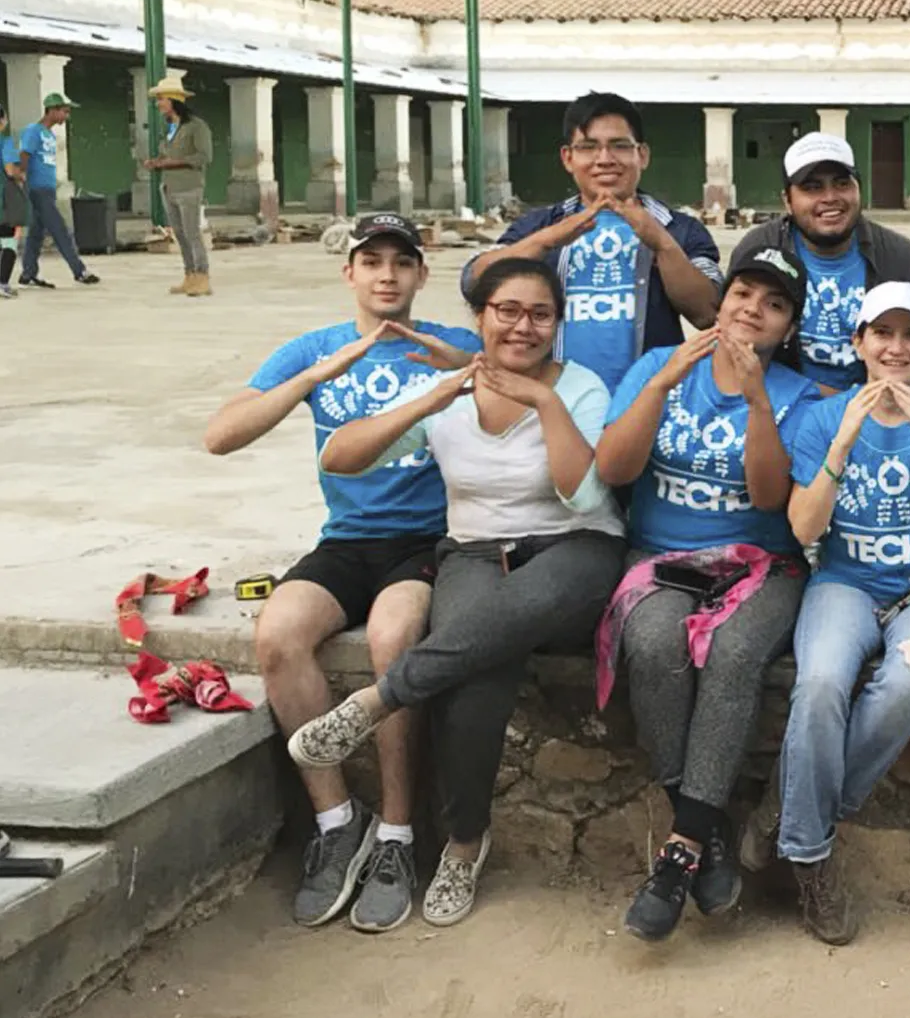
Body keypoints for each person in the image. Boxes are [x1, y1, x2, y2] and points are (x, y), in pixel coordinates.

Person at [286, 257, 627, 929]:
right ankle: (465, 844)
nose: (522, 326)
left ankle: (375, 701)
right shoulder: (449, 389)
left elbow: (583, 493)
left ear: (558, 325)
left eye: (540, 314)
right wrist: (430, 400)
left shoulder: (581, 387)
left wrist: (545, 402)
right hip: (473, 552)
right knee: (474, 678)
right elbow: (339, 457)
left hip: (577, 551)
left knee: (510, 613)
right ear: (481, 319)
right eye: (507, 311)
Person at [202, 213, 478, 933]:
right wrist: (315, 377)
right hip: (345, 541)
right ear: (348, 273)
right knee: (279, 635)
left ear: (421, 274)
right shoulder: (315, 348)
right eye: (372, 261)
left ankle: (395, 833)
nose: (386, 274)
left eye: (401, 262)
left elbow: (509, 381)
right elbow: (221, 436)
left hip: (425, 542)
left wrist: (443, 362)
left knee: (394, 641)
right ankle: (335, 820)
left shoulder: (455, 345)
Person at [594, 244, 823, 943]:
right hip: (662, 555)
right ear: (720, 302)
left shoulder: (798, 396)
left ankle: (678, 853)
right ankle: (707, 830)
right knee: (654, 640)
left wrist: (757, 399)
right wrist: (661, 385)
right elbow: (611, 467)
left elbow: (768, 497)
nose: (754, 309)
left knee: (734, 653)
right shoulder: (659, 366)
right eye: (744, 294)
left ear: (788, 329)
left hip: (764, 562)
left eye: (775, 304)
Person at [778, 282, 910, 943]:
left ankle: (799, 813)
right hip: (845, 581)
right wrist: (840, 446)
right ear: (858, 342)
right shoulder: (820, 417)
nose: (896, 348)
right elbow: (804, 528)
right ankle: (812, 861)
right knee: (817, 687)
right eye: (882, 334)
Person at [464, 92, 722, 394]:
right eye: (588, 147)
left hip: (647, 407)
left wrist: (662, 245)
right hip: (552, 406)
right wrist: (550, 238)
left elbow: (708, 313)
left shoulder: (679, 229)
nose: (604, 159)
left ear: (643, 155)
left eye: (619, 146)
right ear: (568, 158)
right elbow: (474, 281)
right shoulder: (539, 226)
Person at [729, 132, 910, 392]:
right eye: (812, 187)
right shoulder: (760, 249)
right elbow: (735, 339)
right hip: (779, 408)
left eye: (841, 184)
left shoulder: (903, 260)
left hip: (876, 412)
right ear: (787, 200)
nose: (829, 197)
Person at [15, 92, 99, 288]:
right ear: (52, 111)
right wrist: (22, 176)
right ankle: (79, 271)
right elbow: (25, 154)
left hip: (48, 188)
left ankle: (28, 273)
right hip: (37, 189)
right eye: (64, 112)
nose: (66, 116)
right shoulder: (33, 131)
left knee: (36, 233)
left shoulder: (50, 135)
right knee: (60, 230)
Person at [142, 75, 216, 298]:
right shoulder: (171, 128)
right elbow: (169, 154)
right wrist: (156, 162)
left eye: (161, 99)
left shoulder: (197, 126)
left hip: (189, 187)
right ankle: (189, 275)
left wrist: (172, 163)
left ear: (173, 100)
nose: (158, 104)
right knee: (180, 235)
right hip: (169, 187)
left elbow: (204, 156)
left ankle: (202, 277)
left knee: (193, 233)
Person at [0, 106, 24, 299]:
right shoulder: (5, 142)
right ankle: (2, 283)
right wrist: (21, 175)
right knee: (10, 240)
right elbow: (10, 170)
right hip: (4, 201)